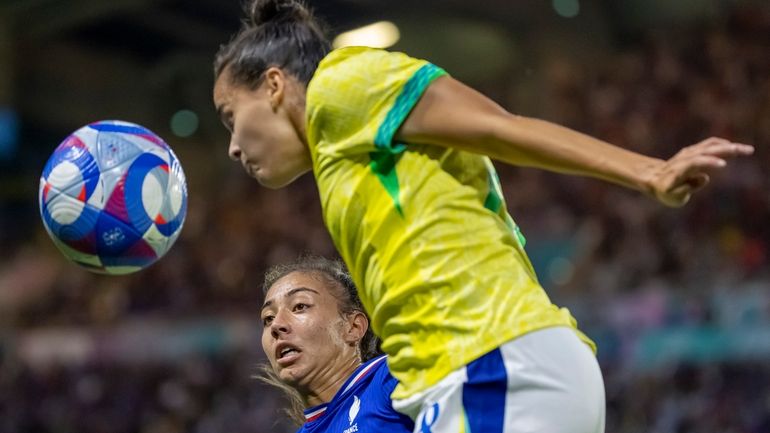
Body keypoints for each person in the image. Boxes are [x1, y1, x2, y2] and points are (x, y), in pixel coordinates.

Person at [212, 1, 755, 432]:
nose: (233, 146)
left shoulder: (340, 85)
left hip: (489, 367)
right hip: (486, 378)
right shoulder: (342, 158)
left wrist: (649, 172)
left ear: (276, 85)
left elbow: (500, 126)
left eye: (231, 117)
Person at [259, 255, 414, 432]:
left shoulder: (394, 376)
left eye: (300, 306)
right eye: (268, 318)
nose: (276, 325)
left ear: (353, 327)